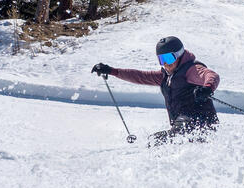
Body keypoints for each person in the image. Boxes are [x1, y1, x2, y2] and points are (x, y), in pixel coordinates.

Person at [92, 36, 220, 143]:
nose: (165, 63)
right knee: (155, 141)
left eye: (169, 58)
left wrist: (207, 88)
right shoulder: (166, 76)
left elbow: (211, 75)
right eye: (161, 59)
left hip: (201, 125)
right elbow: (140, 76)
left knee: (157, 142)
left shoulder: (191, 70)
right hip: (184, 126)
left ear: (180, 55)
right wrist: (112, 71)